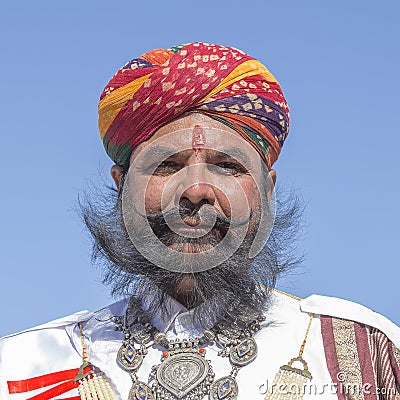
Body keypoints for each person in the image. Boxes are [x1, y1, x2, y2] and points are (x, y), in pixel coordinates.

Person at [1, 42, 399, 400]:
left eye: (228, 166)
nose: (195, 191)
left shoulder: (363, 354)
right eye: (166, 165)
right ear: (121, 187)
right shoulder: (25, 365)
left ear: (267, 191)